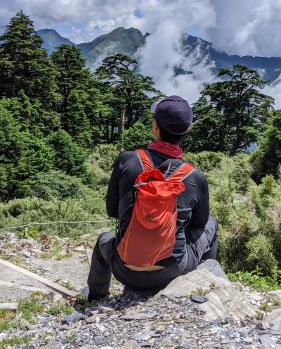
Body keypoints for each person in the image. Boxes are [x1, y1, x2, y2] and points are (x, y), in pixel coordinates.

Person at [86, 95, 219, 301]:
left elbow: (112, 211)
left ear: (155, 126)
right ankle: (205, 288)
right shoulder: (195, 176)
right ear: (187, 131)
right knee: (212, 223)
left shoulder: (127, 160)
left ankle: (96, 297)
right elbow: (199, 224)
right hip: (173, 271)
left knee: (104, 239)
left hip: (124, 269)